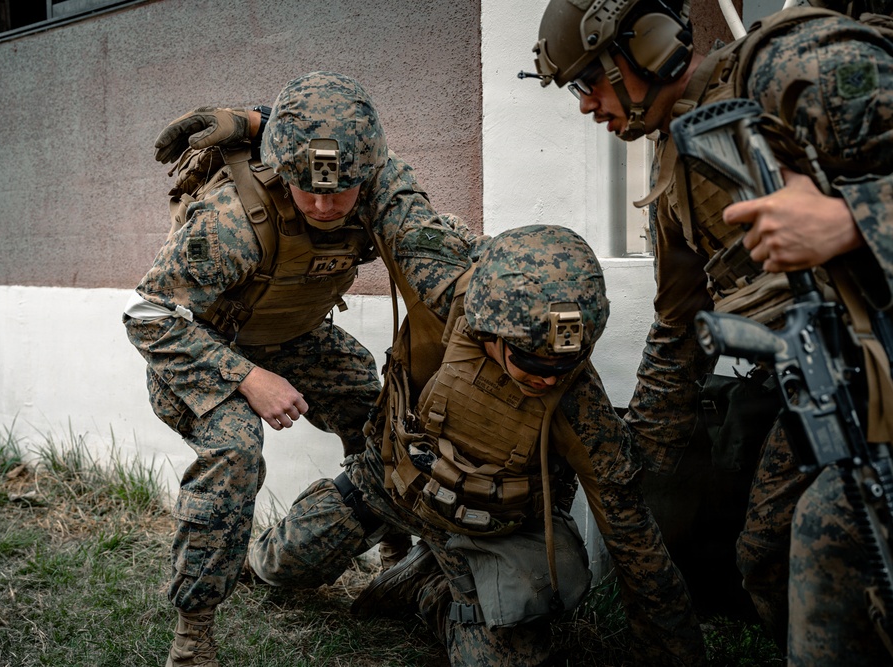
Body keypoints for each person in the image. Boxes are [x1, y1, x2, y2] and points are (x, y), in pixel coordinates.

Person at [530, 0, 893, 662]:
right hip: (836, 382)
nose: (586, 106)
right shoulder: (681, 162)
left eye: (589, 82)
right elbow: (680, 331)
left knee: (836, 539)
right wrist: (630, 469)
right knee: (770, 553)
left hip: (881, 357)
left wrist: (849, 220)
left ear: (646, 47)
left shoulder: (791, 71)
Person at [124, 71, 475, 667]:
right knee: (235, 450)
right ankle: (194, 633)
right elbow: (150, 317)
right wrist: (249, 379)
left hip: (295, 338)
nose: (322, 206)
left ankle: (392, 546)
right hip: (202, 348)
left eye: (338, 194)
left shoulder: (377, 185)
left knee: (377, 404)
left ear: (363, 175)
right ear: (283, 172)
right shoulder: (232, 218)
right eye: (307, 191)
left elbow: (436, 245)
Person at [248, 223, 707, 665]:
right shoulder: (439, 301)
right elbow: (383, 196)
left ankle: (432, 588)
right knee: (280, 565)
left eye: (562, 367)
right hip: (389, 487)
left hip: (489, 529)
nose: (546, 378)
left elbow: (633, 537)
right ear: (490, 331)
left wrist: (674, 654)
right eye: (529, 361)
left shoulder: (580, 411)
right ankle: (286, 550)